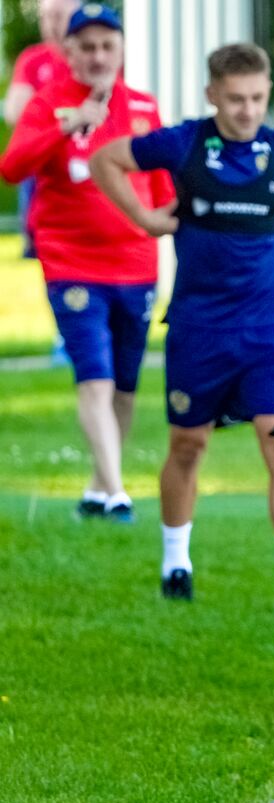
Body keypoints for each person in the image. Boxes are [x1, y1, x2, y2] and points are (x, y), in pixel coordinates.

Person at [91, 42, 274, 613]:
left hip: (268, 332)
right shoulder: (185, 142)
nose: (247, 110)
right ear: (212, 94)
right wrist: (144, 217)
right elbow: (105, 160)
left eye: (258, 98)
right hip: (197, 329)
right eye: (236, 98)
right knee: (188, 447)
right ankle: (176, 561)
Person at [0, 3, 172, 522]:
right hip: (71, 262)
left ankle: (99, 489)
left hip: (136, 265)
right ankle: (118, 492)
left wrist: (167, 224)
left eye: (107, 46)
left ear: (120, 51)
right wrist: (66, 125)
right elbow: (12, 168)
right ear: (68, 52)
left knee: (123, 385)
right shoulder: (48, 103)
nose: (98, 56)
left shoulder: (142, 106)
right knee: (93, 377)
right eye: (88, 47)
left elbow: (163, 186)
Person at [4, 0, 78, 263]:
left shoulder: (94, 57)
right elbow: (16, 112)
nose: (51, 22)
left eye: (58, 14)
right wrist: (67, 119)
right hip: (44, 155)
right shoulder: (33, 59)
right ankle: (34, 246)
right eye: (45, 15)